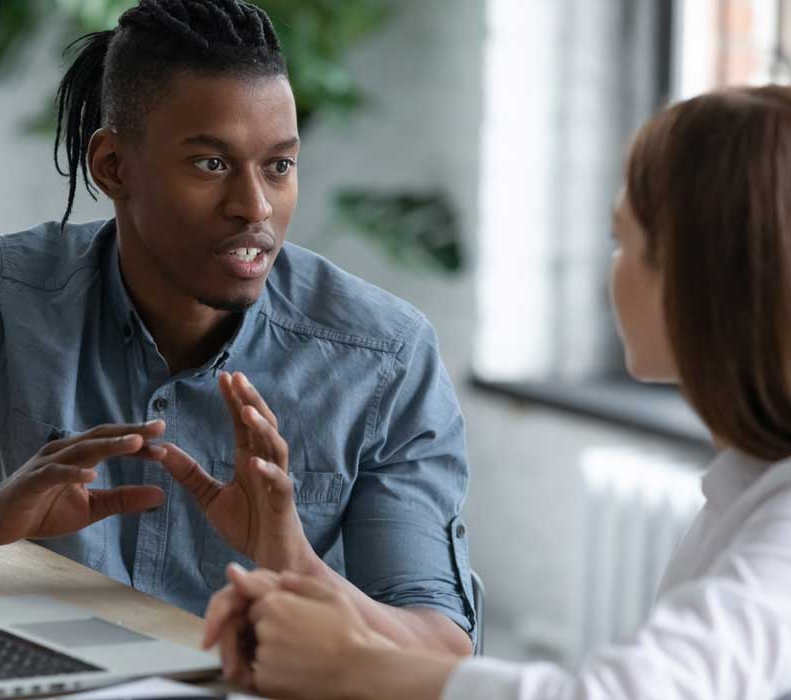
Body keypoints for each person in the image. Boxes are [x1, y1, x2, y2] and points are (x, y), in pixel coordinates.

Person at [0, 0, 475, 655]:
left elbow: (439, 647)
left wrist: (292, 558)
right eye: (210, 163)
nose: (254, 206)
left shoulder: (382, 356)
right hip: (52, 673)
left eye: (279, 165)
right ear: (113, 166)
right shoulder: (4, 293)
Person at [203, 84, 791, 699]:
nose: (607, 270)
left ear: (703, 276)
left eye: (624, 241)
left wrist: (349, 666)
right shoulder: (749, 481)